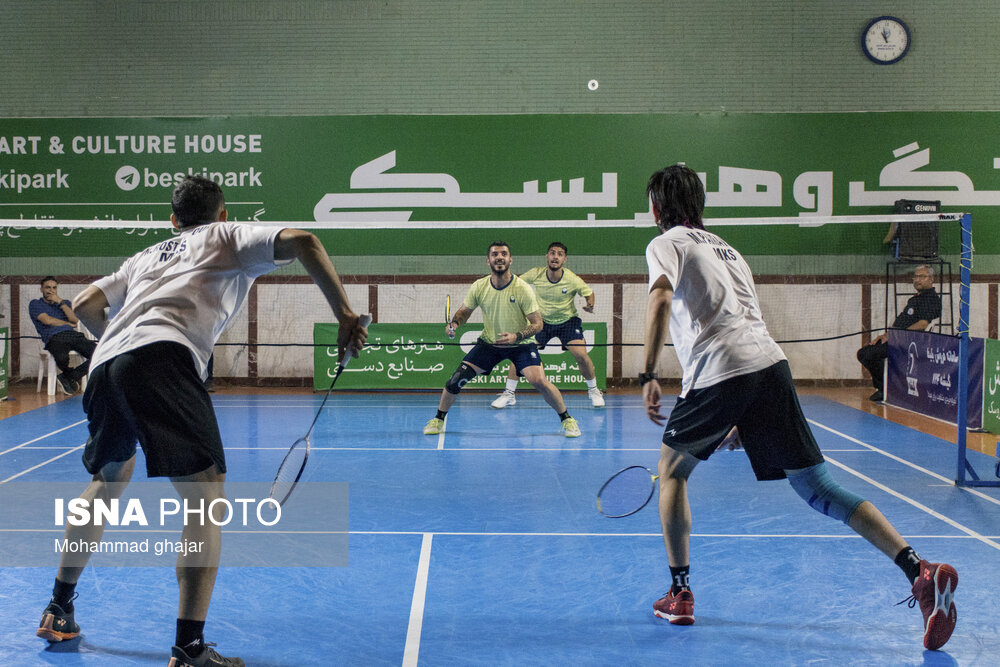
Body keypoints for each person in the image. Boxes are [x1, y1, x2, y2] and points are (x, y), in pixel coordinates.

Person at [35, 176, 368, 666]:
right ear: (223, 214)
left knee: (107, 482)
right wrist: (345, 315)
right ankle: (189, 648)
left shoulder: (146, 256)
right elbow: (305, 240)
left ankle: (59, 608)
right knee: (205, 498)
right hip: (163, 357)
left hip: (105, 366)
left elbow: (85, 304)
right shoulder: (226, 236)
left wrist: (121, 345)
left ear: (173, 220)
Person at [640, 164, 957, 650]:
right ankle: (919, 569)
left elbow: (662, 297)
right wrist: (745, 416)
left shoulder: (666, 242)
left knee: (671, 472)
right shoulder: (729, 250)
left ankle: (679, 594)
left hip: (719, 368)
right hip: (769, 366)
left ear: (657, 208)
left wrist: (647, 372)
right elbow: (744, 321)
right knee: (817, 487)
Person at [423, 241, 581, 438]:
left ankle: (567, 419)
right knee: (455, 380)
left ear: (510, 260)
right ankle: (438, 419)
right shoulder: (479, 286)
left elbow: (538, 324)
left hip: (521, 345)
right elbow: (464, 312)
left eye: (504, 254)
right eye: (495, 254)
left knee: (539, 381)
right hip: (490, 344)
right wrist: (454, 323)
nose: (499, 257)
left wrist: (516, 336)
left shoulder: (522, 288)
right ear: (488, 260)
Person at [490, 242, 605, 409]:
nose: (555, 257)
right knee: (520, 353)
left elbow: (589, 293)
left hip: (567, 322)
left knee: (581, 354)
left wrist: (590, 304)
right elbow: (516, 283)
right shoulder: (536, 273)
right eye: (552, 253)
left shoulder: (571, 279)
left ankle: (593, 390)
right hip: (541, 322)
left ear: (564, 259)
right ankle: (509, 393)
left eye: (560, 254)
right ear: (547, 256)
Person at [857, 265, 941, 402]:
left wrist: (898, 335)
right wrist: (886, 335)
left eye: (922, 276)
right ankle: (885, 387)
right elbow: (902, 321)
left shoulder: (931, 299)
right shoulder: (915, 299)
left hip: (909, 341)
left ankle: (887, 388)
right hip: (897, 338)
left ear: (931, 279)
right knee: (864, 353)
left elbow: (923, 324)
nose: (917, 280)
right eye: (916, 277)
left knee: (868, 354)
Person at [29, 276, 97, 394]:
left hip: (73, 335)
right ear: (41, 289)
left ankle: (70, 376)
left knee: (99, 353)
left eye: (54, 288)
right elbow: (47, 320)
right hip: (54, 337)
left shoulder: (65, 303)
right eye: (47, 287)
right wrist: (67, 323)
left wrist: (60, 303)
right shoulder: (35, 303)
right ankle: (69, 376)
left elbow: (75, 320)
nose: (51, 290)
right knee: (62, 358)